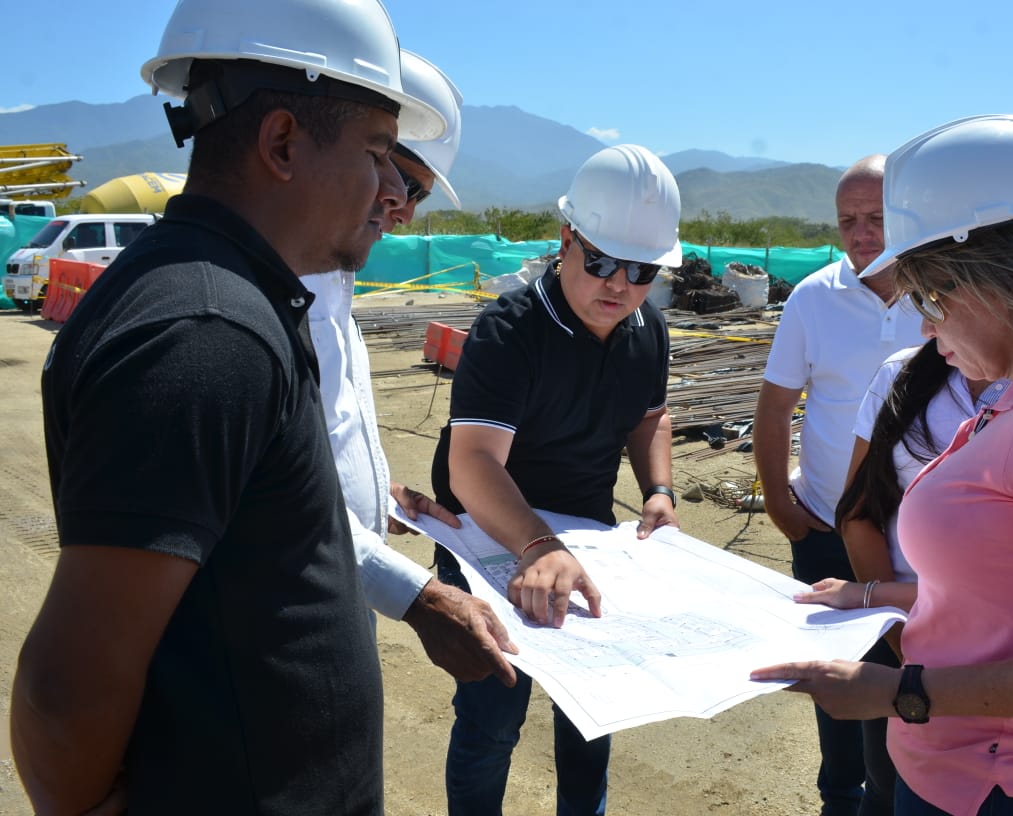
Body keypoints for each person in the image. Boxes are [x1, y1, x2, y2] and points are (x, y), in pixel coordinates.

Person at [9, 1, 446, 813]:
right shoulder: (208, 334)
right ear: (283, 142)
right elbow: (66, 685)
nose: (391, 187)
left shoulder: (234, 300)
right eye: (379, 153)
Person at [752, 114, 1013, 816]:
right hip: (963, 773)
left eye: (931, 296)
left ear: (996, 277)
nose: (923, 324)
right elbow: (997, 605)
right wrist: (861, 597)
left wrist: (899, 692)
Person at [429, 143, 681, 815]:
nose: (618, 285)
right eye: (600, 260)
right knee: (491, 720)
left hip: (584, 543)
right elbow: (473, 462)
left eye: (641, 270)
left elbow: (650, 415)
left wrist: (658, 489)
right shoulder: (510, 333)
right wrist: (538, 547)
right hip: (488, 542)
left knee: (590, 717)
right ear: (566, 238)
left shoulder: (645, 331)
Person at [304, 49, 515, 688]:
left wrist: (375, 496)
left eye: (416, 192)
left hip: (334, 601)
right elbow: (265, 504)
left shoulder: (331, 285)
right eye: (399, 177)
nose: (404, 207)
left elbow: (312, 451)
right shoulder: (261, 309)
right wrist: (420, 595)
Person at [753, 154, 925, 815]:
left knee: (903, 669)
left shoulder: (942, 299)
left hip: (913, 545)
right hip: (826, 524)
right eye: (848, 221)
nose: (861, 234)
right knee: (834, 672)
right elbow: (776, 406)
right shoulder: (814, 298)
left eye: (877, 219)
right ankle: (841, 795)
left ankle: (892, 795)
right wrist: (780, 503)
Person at [800, 340, 1005, 814]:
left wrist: (878, 599)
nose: (927, 317)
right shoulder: (907, 372)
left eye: (942, 292)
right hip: (901, 636)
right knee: (891, 784)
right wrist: (897, 631)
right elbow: (859, 511)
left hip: (1010, 657)